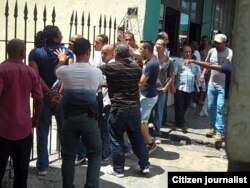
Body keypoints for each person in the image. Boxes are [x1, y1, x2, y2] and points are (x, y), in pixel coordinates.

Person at [54, 38, 103, 188]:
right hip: (89, 118)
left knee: (68, 155)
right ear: (88, 52)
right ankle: (91, 185)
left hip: (69, 118)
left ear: (74, 52)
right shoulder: (97, 72)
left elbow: (56, 72)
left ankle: (68, 185)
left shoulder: (65, 71)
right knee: (94, 154)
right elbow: (96, 89)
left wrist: (62, 60)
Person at [29, 25, 74, 176]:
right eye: (60, 33)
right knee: (65, 130)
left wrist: (49, 92)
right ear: (56, 37)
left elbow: (35, 76)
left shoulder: (35, 53)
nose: (62, 35)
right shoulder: (67, 52)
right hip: (62, 97)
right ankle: (67, 160)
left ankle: (42, 165)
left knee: (42, 130)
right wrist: (58, 93)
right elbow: (68, 75)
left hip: (42, 96)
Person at [100, 43, 150, 177]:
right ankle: (145, 165)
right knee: (137, 137)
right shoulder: (136, 67)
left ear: (116, 53)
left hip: (119, 108)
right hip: (134, 107)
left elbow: (97, 72)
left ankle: (118, 169)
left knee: (116, 139)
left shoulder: (110, 67)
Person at [0, 39, 43, 188]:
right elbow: (38, 98)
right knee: (21, 174)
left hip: (3, 129)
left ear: (7, 52)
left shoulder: (2, 70)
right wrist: (36, 118)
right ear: (23, 53)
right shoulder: (30, 72)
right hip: (24, 129)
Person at [200, 34, 233, 141]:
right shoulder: (212, 51)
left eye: (219, 43)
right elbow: (207, 64)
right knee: (210, 107)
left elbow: (232, 69)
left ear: (225, 43)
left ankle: (219, 131)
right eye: (215, 42)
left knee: (220, 108)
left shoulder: (230, 53)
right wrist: (203, 74)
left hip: (223, 86)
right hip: (212, 84)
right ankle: (212, 127)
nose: (217, 45)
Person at [173, 43, 200, 133]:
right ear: (182, 52)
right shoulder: (178, 61)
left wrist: (199, 85)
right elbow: (173, 74)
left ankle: (178, 120)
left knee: (186, 105)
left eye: (189, 52)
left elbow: (197, 75)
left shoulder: (195, 64)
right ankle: (182, 123)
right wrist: (172, 86)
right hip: (180, 87)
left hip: (190, 89)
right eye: (186, 52)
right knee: (179, 106)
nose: (188, 54)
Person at [139, 40, 160, 152]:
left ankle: (150, 144)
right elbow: (135, 53)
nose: (139, 51)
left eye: (141, 49)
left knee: (141, 122)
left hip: (147, 97)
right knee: (144, 121)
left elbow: (141, 82)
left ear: (147, 50)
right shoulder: (152, 60)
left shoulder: (151, 64)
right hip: (148, 95)